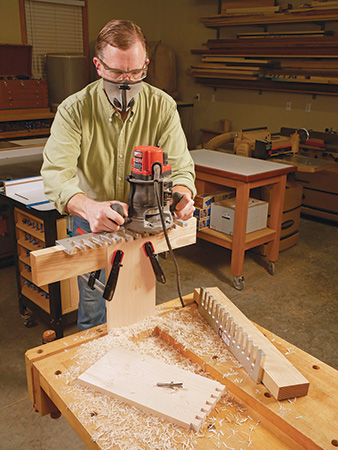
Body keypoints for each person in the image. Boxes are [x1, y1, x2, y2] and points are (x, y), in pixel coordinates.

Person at [41, 19, 196, 331]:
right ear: (99, 66)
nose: (126, 81)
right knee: (93, 309)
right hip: (93, 220)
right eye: (116, 72)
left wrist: (182, 195)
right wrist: (89, 208)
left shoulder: (163, 107)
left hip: (148, 220)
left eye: (136, 73)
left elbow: (180, 166)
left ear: (146, 65)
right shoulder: (73, 110)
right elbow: (56, 175)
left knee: (139, 303)